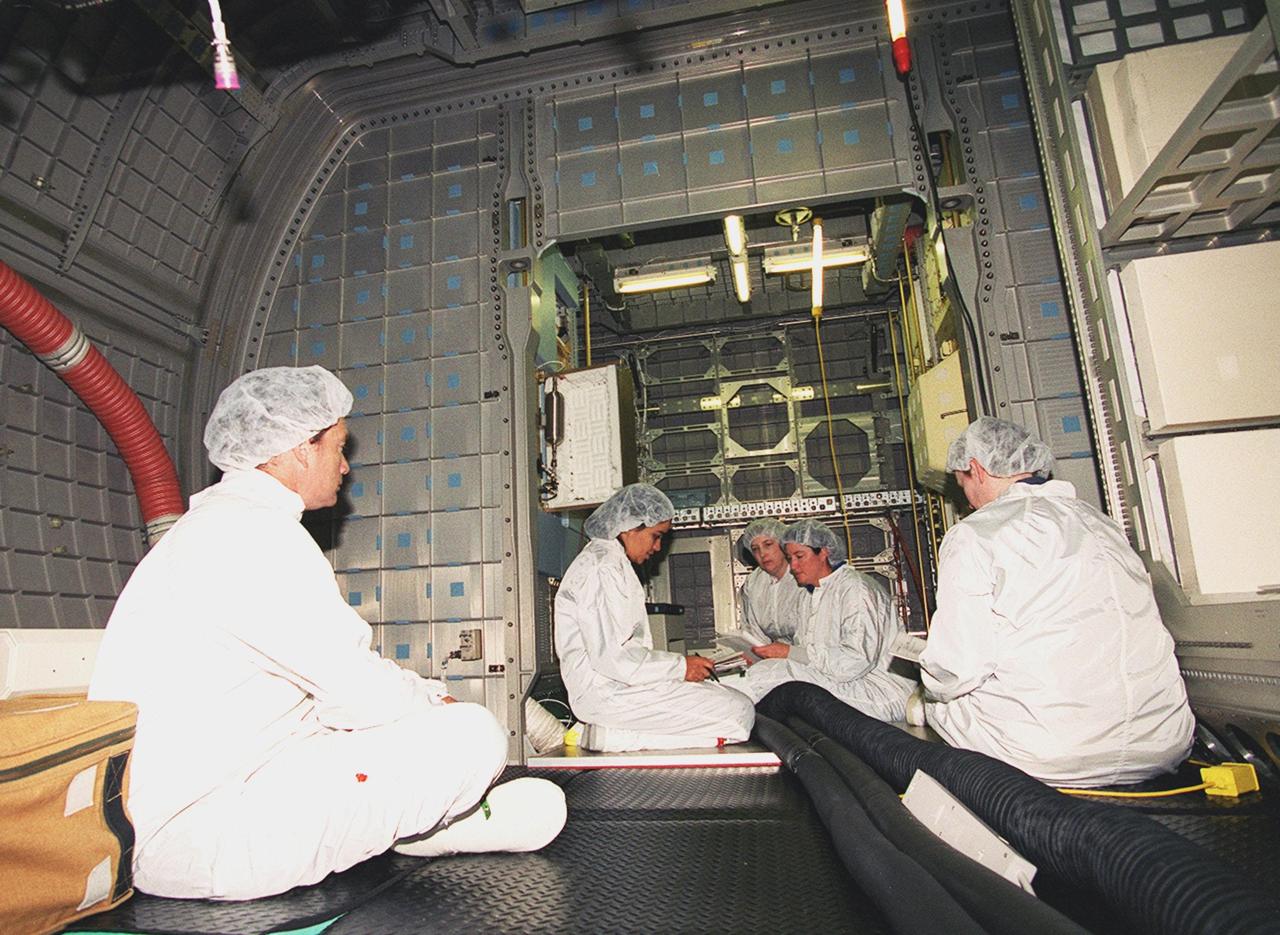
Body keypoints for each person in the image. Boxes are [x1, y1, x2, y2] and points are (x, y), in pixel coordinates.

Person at [88, 366, 565, 901]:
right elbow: (359, 694)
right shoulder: (254, 537)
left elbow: (320, 688)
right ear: (297, 449)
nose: (344, 466)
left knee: (538, 807)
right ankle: (422, 829)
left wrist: (418, 703)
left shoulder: (218, 529)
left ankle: (420, 827)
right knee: (474, 735)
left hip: (226, 793)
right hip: (207, 838)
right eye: (338, 447)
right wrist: (438, 704)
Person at [920, 416, 1195, 787]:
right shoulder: (1103, 525)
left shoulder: (975, 534)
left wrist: (926, 687)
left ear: (976, 469)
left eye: (962, 485)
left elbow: (956, 668)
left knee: (936, 703)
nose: (967, 499)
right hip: (1163, 743)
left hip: (1049, 754)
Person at [554, 483, 756, 752]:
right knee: (738, 712)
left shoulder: (612, 563)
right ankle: (616, 738)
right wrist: (680, 667)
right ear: (630, 526)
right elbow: (612, 658)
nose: (659, 547)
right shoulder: (602, 567)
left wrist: (678, 670)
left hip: (620, 687)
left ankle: (617, 733)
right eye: (656, 536)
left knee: (734, 700)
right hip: (607, 695)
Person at [727, 519, 914, 722]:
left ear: (824, 552)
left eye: (800, 556)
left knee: (778, 674)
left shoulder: (856, 589)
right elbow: (807, 653)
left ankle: (723, 706)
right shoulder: (813, 594)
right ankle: (722, 696)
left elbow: (856, 662)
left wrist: (789, 653)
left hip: (880, 692)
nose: (794, 566)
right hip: (845, 683)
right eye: (790, 558)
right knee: (771, 673)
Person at [734, 519, 805, 646]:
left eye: (768, 544)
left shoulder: (803, 575)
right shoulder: (754, 582)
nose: (762, 554)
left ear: (783, 545)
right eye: (755, 549)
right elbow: (753, 632)